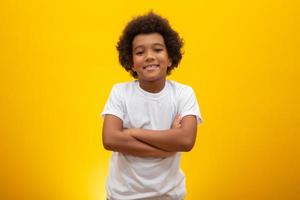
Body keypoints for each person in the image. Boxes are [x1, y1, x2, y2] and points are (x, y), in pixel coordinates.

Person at [101, 11, 203, 200]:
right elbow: (110, 139)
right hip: (121, 195)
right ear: (131, 62)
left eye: (157, 50)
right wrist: (169, 147)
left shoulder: (183, 93)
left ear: (170, 57)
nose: (149, 56)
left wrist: (132, 132)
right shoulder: (120, 92)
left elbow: (186, 141)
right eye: (140, 52)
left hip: (169, 195)